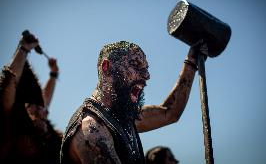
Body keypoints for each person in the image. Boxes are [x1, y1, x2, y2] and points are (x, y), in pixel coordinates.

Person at [60, 41, 201, 164]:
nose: (147, 75)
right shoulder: (92, 131)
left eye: (146, 68)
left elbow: (169, 112)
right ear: (106, 67)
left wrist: (192, 60)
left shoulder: (122, 117)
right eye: (135, 65)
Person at [0, 31, 62, 164]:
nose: (42, 110)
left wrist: (53, 74)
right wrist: (24, 49)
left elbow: (45, 98)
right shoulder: (12, 127)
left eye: (42, 109)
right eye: (34, 108)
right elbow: (10, 83)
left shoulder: (53, 140)